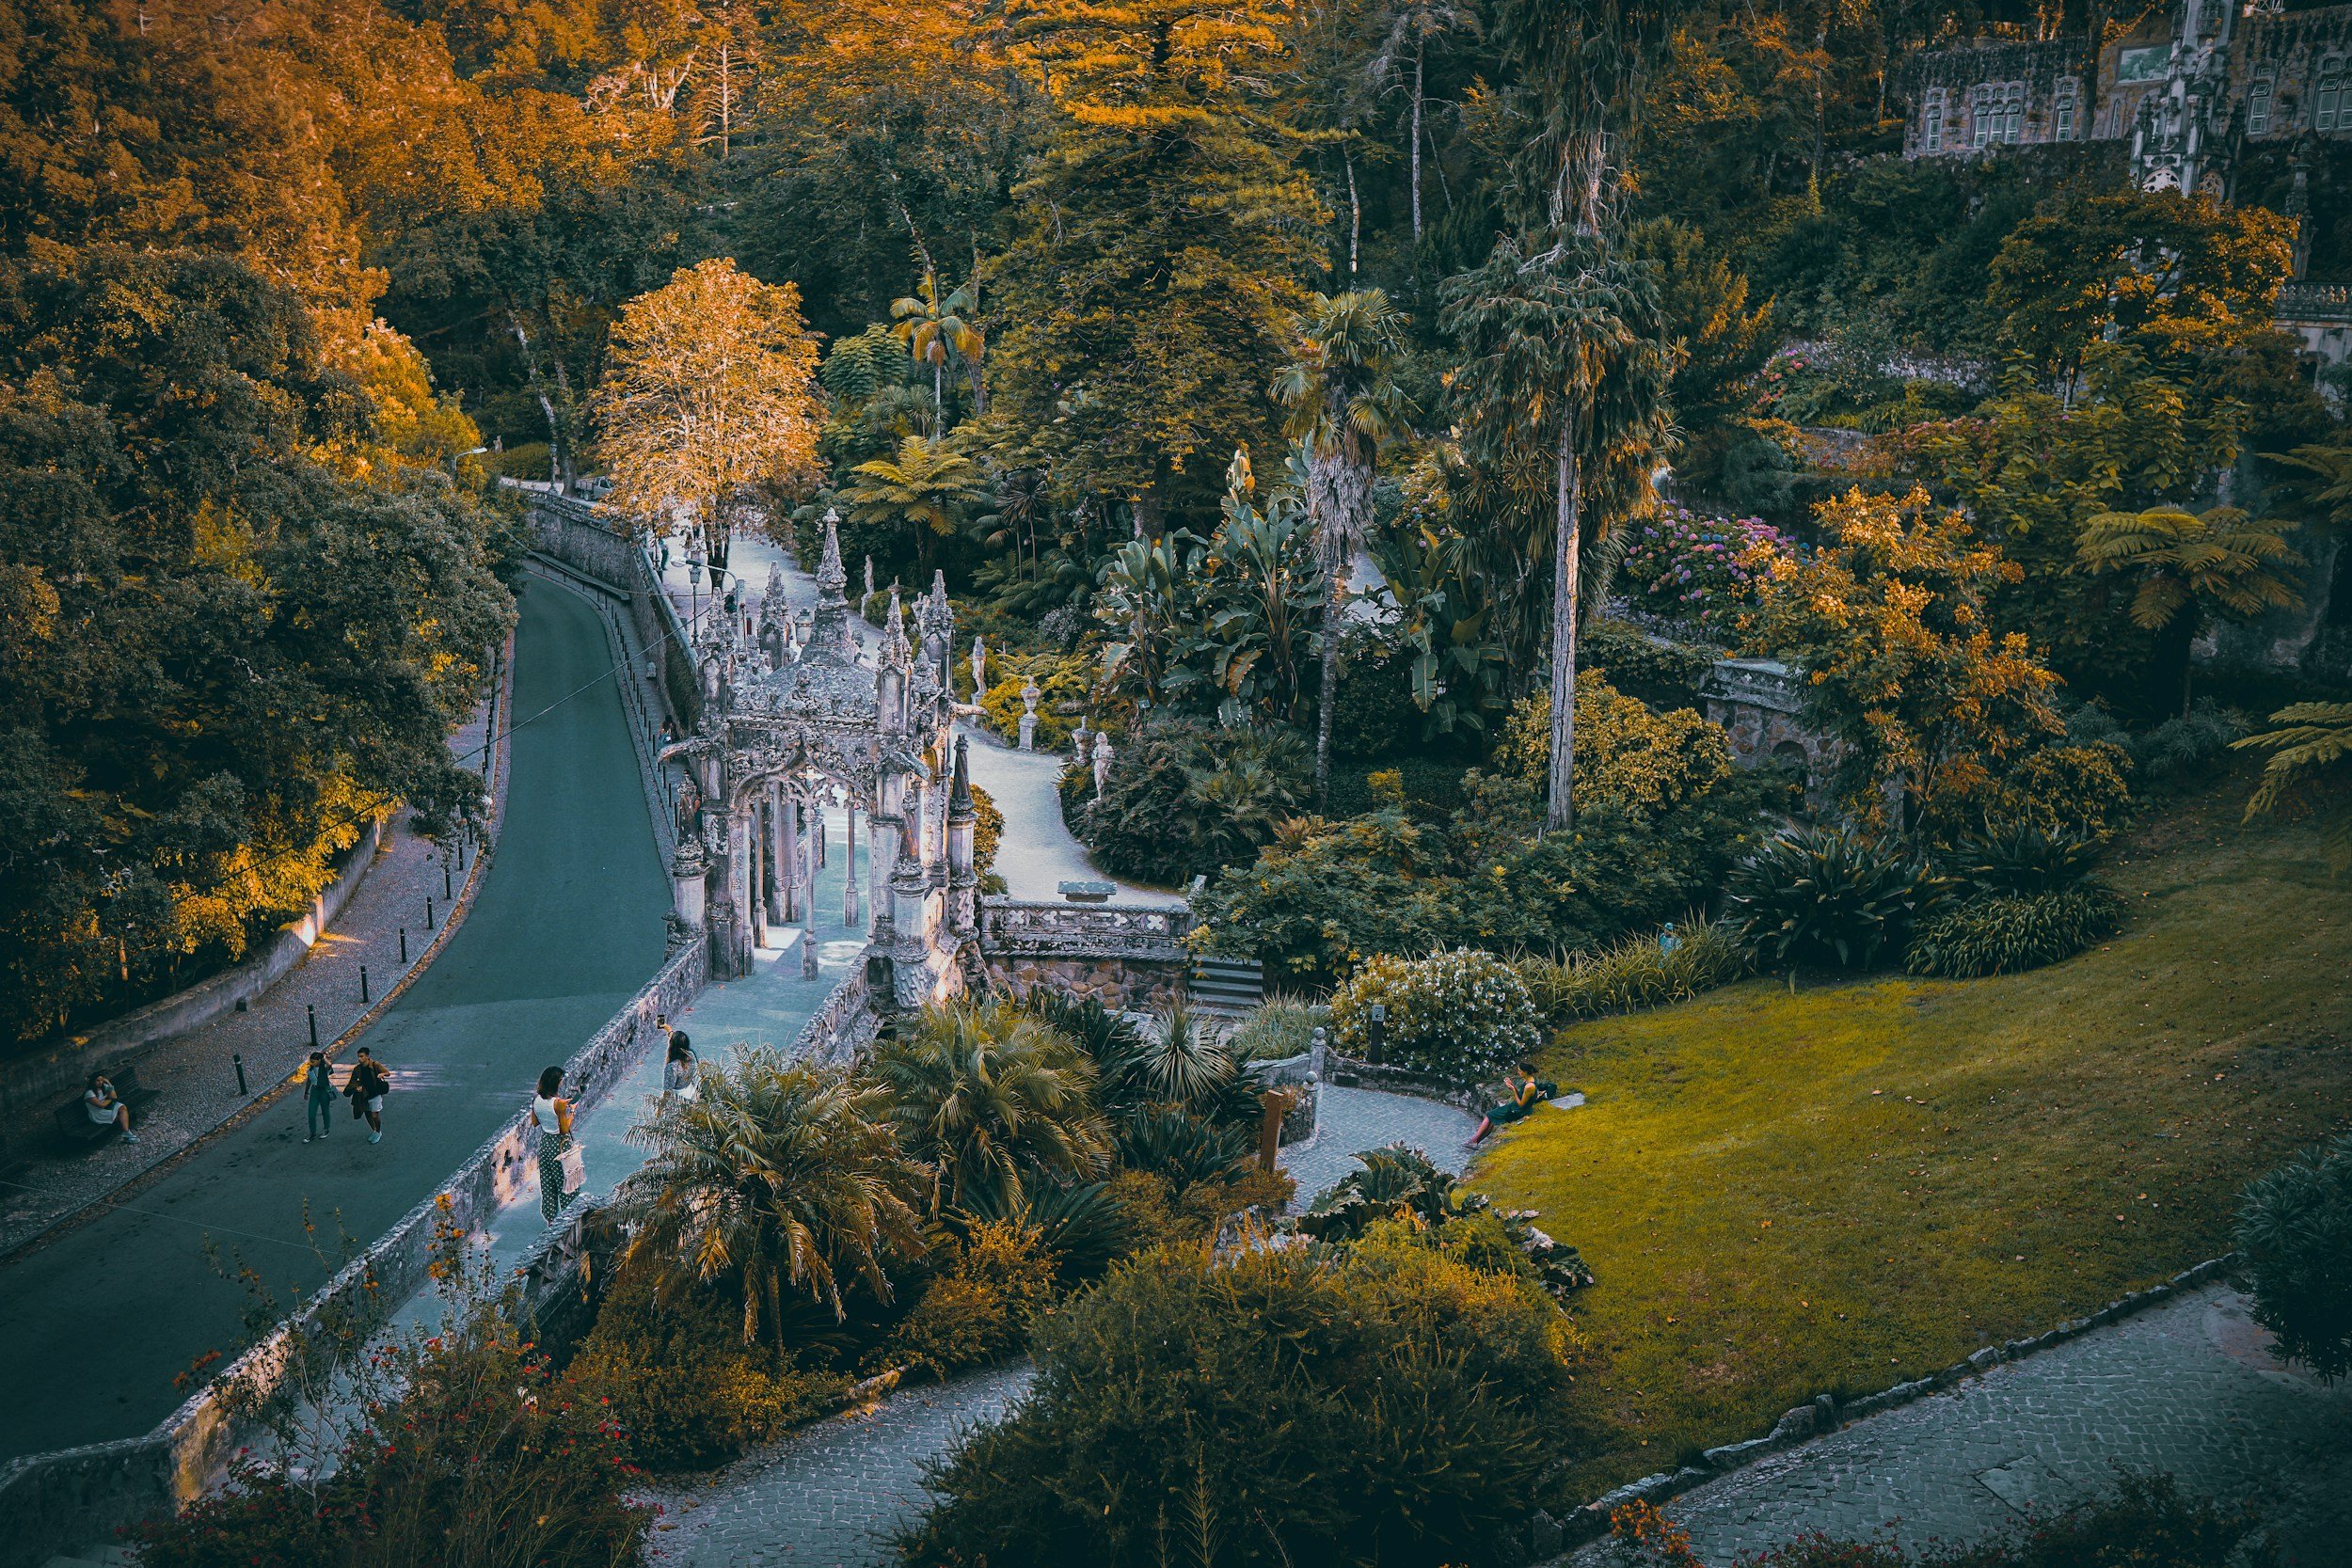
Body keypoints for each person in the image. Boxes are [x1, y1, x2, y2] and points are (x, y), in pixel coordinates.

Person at [532, 1066, 580, 1225]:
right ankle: (569, 1217)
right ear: (557, 1083)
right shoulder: (559, 1104)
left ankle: (550, 1218)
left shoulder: (536, 1100)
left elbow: (535, 1122)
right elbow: (564, 1129)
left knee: (547, 1181)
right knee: (566, 1181)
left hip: (545, 1143)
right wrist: (571, 1111)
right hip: (560, 1144)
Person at [1469, 1063, 1546, 1147]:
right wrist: (1512, 1085)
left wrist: (1513, 1090)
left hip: (1519, 1111)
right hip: (1515, 1106)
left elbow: (1521, 1104)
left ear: (1526, 1072)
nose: (1518, 1072)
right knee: (1491, 1121)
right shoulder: (1528, 1079)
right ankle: (1475, 1142)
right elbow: (1521, 1095)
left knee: (1489, 1115)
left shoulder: (1529, 1086)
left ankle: (1474, 1141)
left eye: (1520, 1071)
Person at [344, 1046, 390, 1144]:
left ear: (367, 1056)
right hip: (364, 1095)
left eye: (361, 1056)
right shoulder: (357, 1069)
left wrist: (382, 1074)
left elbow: (387, 1072)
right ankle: (374, 1131)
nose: (359, 1059)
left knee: (375, 1115)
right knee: (368, 1114)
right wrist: (356, 1087)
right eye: (358, 1056)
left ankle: (378, 1132)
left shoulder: (375, 1064)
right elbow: (352, 1081)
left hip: (375, 1093)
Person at [85, 1073, 135, 1145]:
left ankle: (126, 1132)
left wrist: (108, 1083)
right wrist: (110, 1099)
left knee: (123, 1108)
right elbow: (101, 1105)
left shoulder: (104, 1086)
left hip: (106, 1107)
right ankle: (127, 1133)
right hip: (98, 1114)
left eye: (102, 1080)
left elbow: (114, 1096)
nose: (100, 1082)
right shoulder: (89, 1093)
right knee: (120, 1116)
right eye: (98, 1081)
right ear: (93, 1082)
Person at [301, 1052, 336, 1142]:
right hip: (314, 1091)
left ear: (319, 1060)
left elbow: (330, 1065)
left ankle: (326, 1129)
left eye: (313, 1061)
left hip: (324, 1090)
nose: (311, 1063)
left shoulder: (324, 1068)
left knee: (325, 1111)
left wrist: (324, 1058)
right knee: (311, 1114)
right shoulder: (310, 1070)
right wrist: (306, 1092)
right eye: (311, 1061)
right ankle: (312, 1133)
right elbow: (309, 1080)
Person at [661, 1030, 698, 1105]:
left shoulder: (672, 1067)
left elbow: (668, 1092)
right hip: (691, 1094)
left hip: (678, 1101)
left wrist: (660, 1108)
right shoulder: (691, 1055)